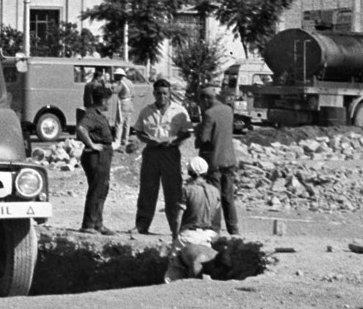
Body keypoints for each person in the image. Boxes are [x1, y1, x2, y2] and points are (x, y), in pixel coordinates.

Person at [131, 78, 192, 236]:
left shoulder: (179, 111)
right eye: (158, 93)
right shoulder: (146, 111)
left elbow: (187, 132)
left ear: (170, 93)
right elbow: (139, 131)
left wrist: (175, 140)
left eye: (165, 93)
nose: (162, 96)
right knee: (147, 190)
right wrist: (148, 140)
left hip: (170, 153)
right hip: (151, 153)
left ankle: (176, 227)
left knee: (173, 191)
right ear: (154, 94)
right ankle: (142, 225)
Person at [192, 84, 241, 235]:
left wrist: (198, 130)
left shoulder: (209, 114)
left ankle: (215, 229)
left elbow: (204, 140)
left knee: (215, 196)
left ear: (205, 99)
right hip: (230, 159)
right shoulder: (228, 110)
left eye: (201, 102)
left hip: (214, 161)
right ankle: (233, 228)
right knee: (228, 196)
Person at [75, 83, 124, 234]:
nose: (109, 103)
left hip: (104, 154)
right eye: (108, 100)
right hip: (96, 156)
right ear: (103, 101)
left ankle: (98, 223)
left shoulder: (99, 115)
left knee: (102, 189)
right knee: (97, 189)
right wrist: (92, 144)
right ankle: (88, 224)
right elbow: (81, 128)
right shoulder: (92, 114)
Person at [165, 157, 223, 283]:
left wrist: (175, 236)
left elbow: (178, 218)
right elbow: (217, 218)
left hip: (189, 235)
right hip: (208, 236)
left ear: (190, 173)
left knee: (174, 267)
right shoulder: (215, 191)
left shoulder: (187, 190)